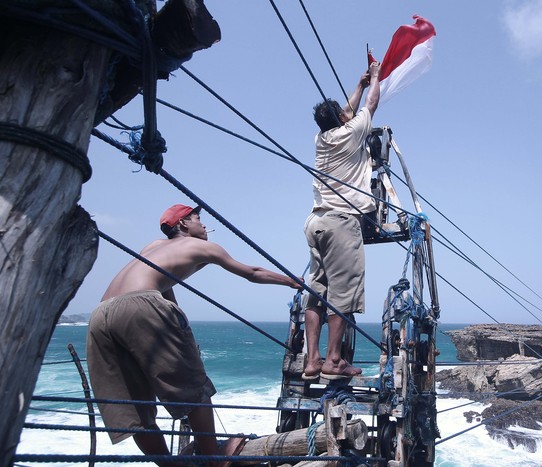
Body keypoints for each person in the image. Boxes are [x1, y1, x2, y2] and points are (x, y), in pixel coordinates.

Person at [86, 204, 301, 467]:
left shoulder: (151, 246)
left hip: (101, 314)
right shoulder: (203, 247)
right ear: (183, 224)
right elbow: (251, 273)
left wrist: (178, 323)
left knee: (134, 408)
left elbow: (163, 288)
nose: (204, 225)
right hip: (140, 306)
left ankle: (170, 465)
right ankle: (213, 460)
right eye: (198, 218)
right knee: (194, 388)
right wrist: (291, 281)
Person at [302, 61, 381, 380]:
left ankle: (313, 361)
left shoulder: (321, 139)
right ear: (342, 120)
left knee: (317, 292)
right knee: (343, 294)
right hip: (341, 223)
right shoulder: (351, 132)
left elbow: (347, 110)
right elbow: (371, 105)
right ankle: (334, 361)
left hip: (316, 221)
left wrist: (359, 84)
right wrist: (375, 78)